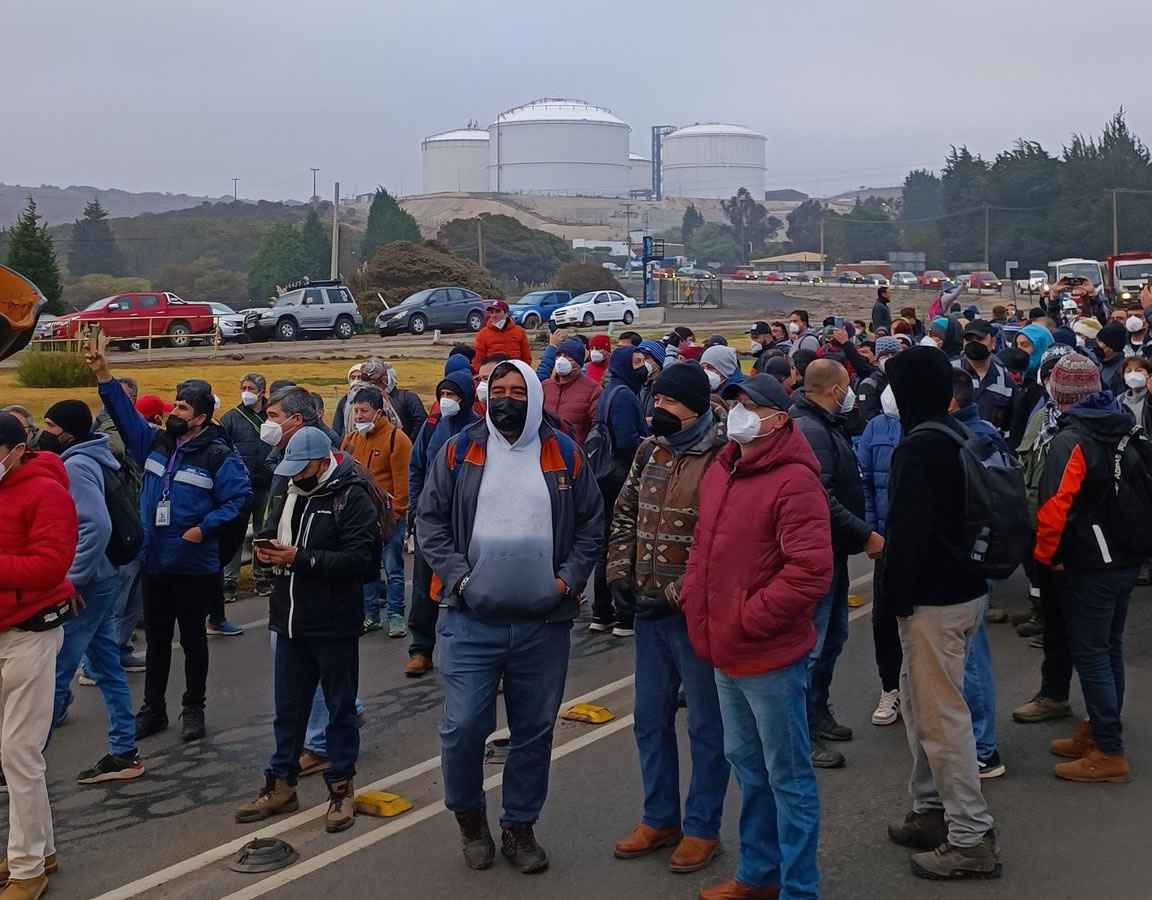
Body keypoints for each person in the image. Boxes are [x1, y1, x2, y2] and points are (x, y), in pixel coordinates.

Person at [417, 359, 603, 874]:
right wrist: (459, 578)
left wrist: (569, 579)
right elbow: (429, 519)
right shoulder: (460, 450)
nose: (505, 398)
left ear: (536, 397)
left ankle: (519, 826)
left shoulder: (563, 452)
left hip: (543, 624)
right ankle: (470, 817)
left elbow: (592, 521)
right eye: (496, 389)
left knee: (534, 730)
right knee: (464, 727)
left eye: (517, 390)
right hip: (470, 620)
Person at [683, 375, 831, 900]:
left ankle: (799, 889)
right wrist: (692, 597)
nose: (734, 413)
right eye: (730, 404)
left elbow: (811, 572)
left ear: (777, 417)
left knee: (787, 778)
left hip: (767, 654)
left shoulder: (795, 480)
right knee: (748, 769)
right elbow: (704, 546)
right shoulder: (725, 469)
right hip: (724, 651)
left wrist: (747, 617)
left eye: (747, 405)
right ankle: (759, 874)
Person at [88, 345, 252, 743]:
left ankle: (193, 707)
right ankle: (154, 708)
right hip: (155, 561)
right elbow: (126, 420)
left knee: (193, 641)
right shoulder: (155, 443)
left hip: (193, 564)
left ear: (200, 416)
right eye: (174, 405)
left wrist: (203, 529)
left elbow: (239, 499)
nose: (173, 412)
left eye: (182, 408)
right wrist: (104, 376)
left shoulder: (218, 455)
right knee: (158, 640)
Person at [607, 365, 730, 876]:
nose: (658, 410)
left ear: (696, 408)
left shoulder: (724, 458)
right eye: (656, 399)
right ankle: (660, 818)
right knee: (649, 720)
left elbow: (721, 540)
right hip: (648, 614)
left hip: (695, 616)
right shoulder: (648, 451)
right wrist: (618, 571)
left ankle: (703, 828)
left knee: (706, 725)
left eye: (669, 403)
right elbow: (626, 511)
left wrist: (677, 595)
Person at [882, 345, 1000, 881]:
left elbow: (906, 536)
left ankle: (970, 836)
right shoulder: (956, 434)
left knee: (941, 721)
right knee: (924, 709)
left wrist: (893, 602)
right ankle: (930, 811)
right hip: (967, 590)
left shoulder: (918, 448)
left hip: (934, 601)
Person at [234, 427, 380, 833]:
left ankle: (341, 789)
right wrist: (267, 553)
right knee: (288, 711)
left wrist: (300, 558)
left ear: (322, 461)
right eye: (291, 470)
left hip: (333, 623)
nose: (295, 476)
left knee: (339, 710)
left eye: (303, 469)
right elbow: (276, 537)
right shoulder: (289, 491)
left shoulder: (351, 495)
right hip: (289, 619)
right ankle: (280, 784)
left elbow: (360, 562)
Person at [1034, 354, 1142, 783]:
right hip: (1125, 554)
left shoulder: (1070, 438)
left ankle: (1109, 750)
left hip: (1087, 561)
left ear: (1059, 393)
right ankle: (1101, 729)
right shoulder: (1123, 426)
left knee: (1092, 654)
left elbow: (1055, 506)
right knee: (1110, 648)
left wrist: (1047, 556)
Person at [35, 402, 143, 785]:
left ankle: (20, 763)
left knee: (54, 675)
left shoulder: (76, 465)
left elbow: (94, 525)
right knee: (106, 667)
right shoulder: (93, 456)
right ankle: (124, 750)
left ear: (69, 431)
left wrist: (72, 582)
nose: (43, 431)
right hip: (104, 578)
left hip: (88, 585)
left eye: (50, 424)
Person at [790, 359, 883, 768]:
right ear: (834, 390)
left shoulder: (825, 425)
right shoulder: (811, 430)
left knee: (832, 638)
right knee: (812, 643)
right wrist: (863, 532)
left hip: (831, 550)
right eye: (848, 387)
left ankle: (818, 709)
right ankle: (801, 731)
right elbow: (820, 497)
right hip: (817, 552)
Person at [0, 412, 78, 899]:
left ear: (14, 448)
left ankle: (28, 869)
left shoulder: (46, 491)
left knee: (19, 751)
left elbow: (51, 565)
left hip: (31, 631)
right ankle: (39, 848)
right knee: (13, 751)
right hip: (6, 628)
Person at [404, 370, 479, 677]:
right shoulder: (432, 425)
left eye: (454, 395)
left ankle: (476, 654)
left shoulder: (479, 429)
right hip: (430, 521)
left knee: (469, 585)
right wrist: (416, 507)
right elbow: (416, 467)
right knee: (423, 587)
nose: (447, 401)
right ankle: (421, 649)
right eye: (443, 395)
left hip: (466, 523)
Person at [340, 386, 412, 637]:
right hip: (360, 519)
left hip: (389, 516)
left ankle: (395, 615)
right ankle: (370, 615)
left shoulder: (397, 439)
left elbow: (403, 482)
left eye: (364, 411)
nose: (358, 416)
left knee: (393, 569)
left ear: (379, 413)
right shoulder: (350, 440)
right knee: (366, 569)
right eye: (356, 410)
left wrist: (397, 514)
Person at [591, 347, 650, 635]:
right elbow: (626, 441)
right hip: (619, 476)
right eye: (637, 362)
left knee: (606, 544)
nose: (643, 367)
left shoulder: (611, 390)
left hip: (604, 475)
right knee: (623, 544)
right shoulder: (625, 395)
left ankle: (601, 613)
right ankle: (623, 614)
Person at [858, 383, 903, 726]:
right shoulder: (877, 427)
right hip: (888, 540)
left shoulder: (933, 424)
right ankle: (891, 687)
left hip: (927, 544)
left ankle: (919, 688)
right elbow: (867, 482)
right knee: (883, 619)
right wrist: (872, 530)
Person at [219, 373, 273, 601]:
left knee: (262, 534)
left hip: (266, 486)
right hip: (240, 488)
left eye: (251, 387)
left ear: (262, 391)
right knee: (235, 535)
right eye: (243, 387)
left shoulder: (273, 416)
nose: (246, 391)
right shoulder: (231, 418)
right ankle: (228, 582)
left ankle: (262, 578)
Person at [537, 337, 603, 444]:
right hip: (546, 450)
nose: (561, 359)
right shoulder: (545, 386)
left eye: (568, 356)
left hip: (575, 452)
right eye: (559, 355)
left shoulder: (593, 390)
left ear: (578, 362)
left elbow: (596, 427)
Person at [958, 320, 1016, 435]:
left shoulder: (1005, 381)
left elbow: (1010, 423)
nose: (974, 344)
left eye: (980, 339)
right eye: (969, 340)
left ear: (993, 342)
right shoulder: (951, 372)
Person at [471, 300, 532, 370]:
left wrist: (524, 372)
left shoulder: (520, 331)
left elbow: (526, 357)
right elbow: (477, 359)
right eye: (492, 312)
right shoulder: (482, 334)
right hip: (492, 374)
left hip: (515, 372)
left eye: (497, 312)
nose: (494, 315)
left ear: (506, 313)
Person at [858, 335, 901, 423]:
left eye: (893, 354)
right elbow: (868, 416)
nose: (889, 358)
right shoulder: (870, 384)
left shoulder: (904, 379)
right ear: (877, 358)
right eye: (884, 355)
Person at [1120, 356, 1152, 433]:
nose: (1133, 374)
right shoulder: (1120, 399)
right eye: (1128, 371)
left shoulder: (1149, 400)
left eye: (1138, 370)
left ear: (1149, 375)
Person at [635, 340, 665, 416]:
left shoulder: (663, 389)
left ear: (658, 362)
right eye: (638, 359)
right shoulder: (636, 386)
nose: (642, 362)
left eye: (646, 358)